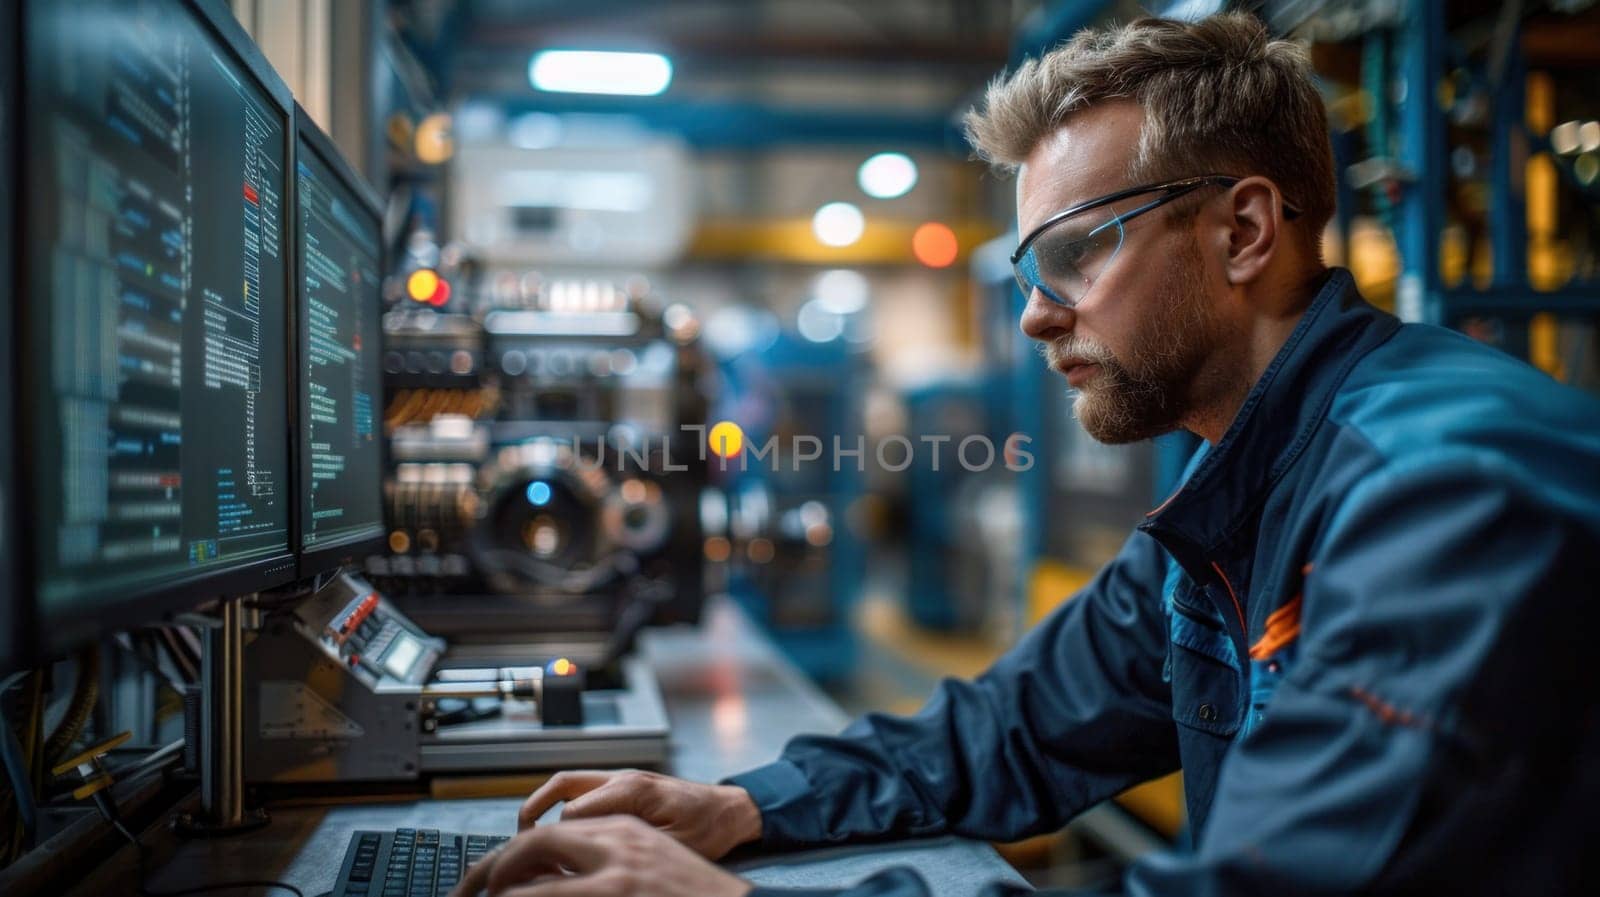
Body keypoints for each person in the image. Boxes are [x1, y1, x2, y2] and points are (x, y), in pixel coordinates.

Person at [452, 13, 1600, 897]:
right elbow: (1013, 726)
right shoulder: (1236, 496)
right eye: (1028, 274)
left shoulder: (1445, 496)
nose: (1036, 317)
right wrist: (736, 806)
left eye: (1073, 254)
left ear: (1242, 231)